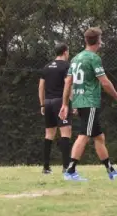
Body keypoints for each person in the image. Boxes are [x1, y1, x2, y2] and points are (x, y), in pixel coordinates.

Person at [59, 27, 117, 181]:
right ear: (99, 41)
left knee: (99, 137)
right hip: (89, 102)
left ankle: (111, 171)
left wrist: (66, 104)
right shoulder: (93, 58)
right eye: (101, 39)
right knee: (84, 135)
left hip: (80, 101)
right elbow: (105, 82)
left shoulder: (75, 58)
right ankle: (70, 171)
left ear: (86, 40)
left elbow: (68, 83)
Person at [39, 43, 72, 174]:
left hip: (47, 102)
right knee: (66, 132)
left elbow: (41, 87)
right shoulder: (66, 66)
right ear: (65, 52)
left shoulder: (46, 67)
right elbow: (68, 84)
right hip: (60, 101)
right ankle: (66, 167)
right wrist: (71, 102)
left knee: (49, 134)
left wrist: (42, 104)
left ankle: (46, 167)